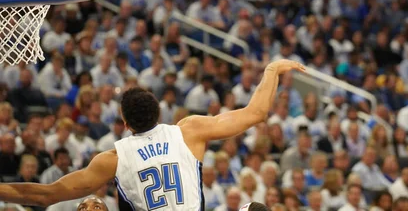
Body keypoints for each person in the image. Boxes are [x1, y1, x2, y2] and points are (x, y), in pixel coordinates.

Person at [0, 59, 305, 209]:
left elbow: (45, 194)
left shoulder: (113, 158)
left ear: (125, 123)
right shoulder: (188, 130)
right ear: (159, 114)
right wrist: (272, 70)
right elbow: (257, 113)